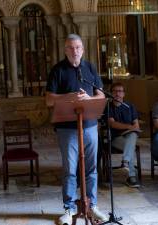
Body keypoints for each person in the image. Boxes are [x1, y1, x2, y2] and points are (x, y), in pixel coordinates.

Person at [46, 34, 108, 225]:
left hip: (89, 126)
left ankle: (92, 205)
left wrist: (88, 100)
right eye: (71, 48)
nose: (75, 51)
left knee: (91, 169)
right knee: (70, 170)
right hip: (67, 129)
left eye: (78, 47)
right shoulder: (58, 70)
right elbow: (49, 100)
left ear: (83, 49)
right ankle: (69, 209)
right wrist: (70, 97)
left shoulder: (89, 68)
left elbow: (100, 96)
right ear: (65, 50)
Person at [107, 82, 140, 188]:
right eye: (115, 91)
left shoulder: (130, 106)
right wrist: (129, 127)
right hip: (115, 138)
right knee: (130, 145)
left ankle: (125, 162)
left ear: (124, 94)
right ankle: (131, 177)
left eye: (120, 91)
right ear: (111, 93)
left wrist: (133, 127)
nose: (117, 93)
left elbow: (136, 124)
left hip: (129, 136)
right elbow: (112, 123)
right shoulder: (108, 106)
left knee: (133, 136)